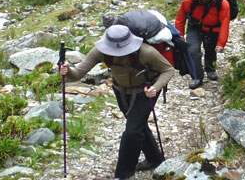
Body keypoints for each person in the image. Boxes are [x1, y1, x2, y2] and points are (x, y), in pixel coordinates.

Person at [58, 25, 177, 179]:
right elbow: (78, 74)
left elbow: (168, 70)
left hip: (145, 92)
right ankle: (155, 159)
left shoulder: (146, 51)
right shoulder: (100, 50)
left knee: (132, 131)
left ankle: (124, 174)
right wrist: (67, 71)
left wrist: (155, 87)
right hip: (121, 92)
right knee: (137, 125)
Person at [174, 0, 230, 87]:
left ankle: (210, 69)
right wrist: (179, 34)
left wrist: (221, 43)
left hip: (213, 29)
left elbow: (225, 23)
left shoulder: (223, 4)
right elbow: (180, 19)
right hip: (195, 27)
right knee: (193, 50)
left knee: (211, 50)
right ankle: (197, 77)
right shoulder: (188, 1)